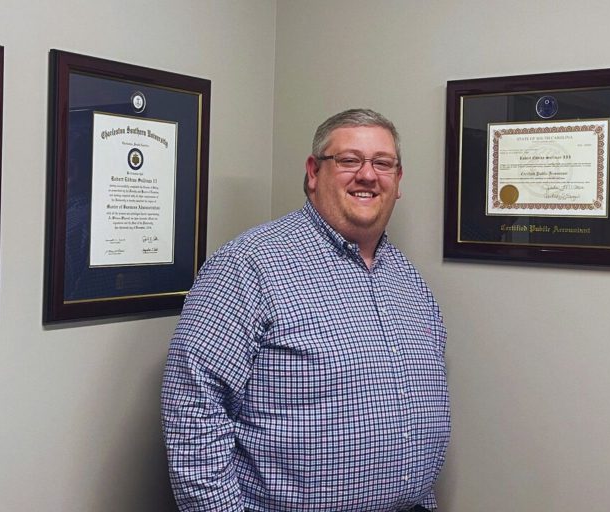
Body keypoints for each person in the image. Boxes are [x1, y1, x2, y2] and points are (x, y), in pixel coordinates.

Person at [161, 109, 450, 512]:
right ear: (314, 172)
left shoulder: (409, 282)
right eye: (349, 160)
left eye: (383, 163)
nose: (368, 175)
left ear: (397, 181)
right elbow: (192, 409)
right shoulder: (250, 264)